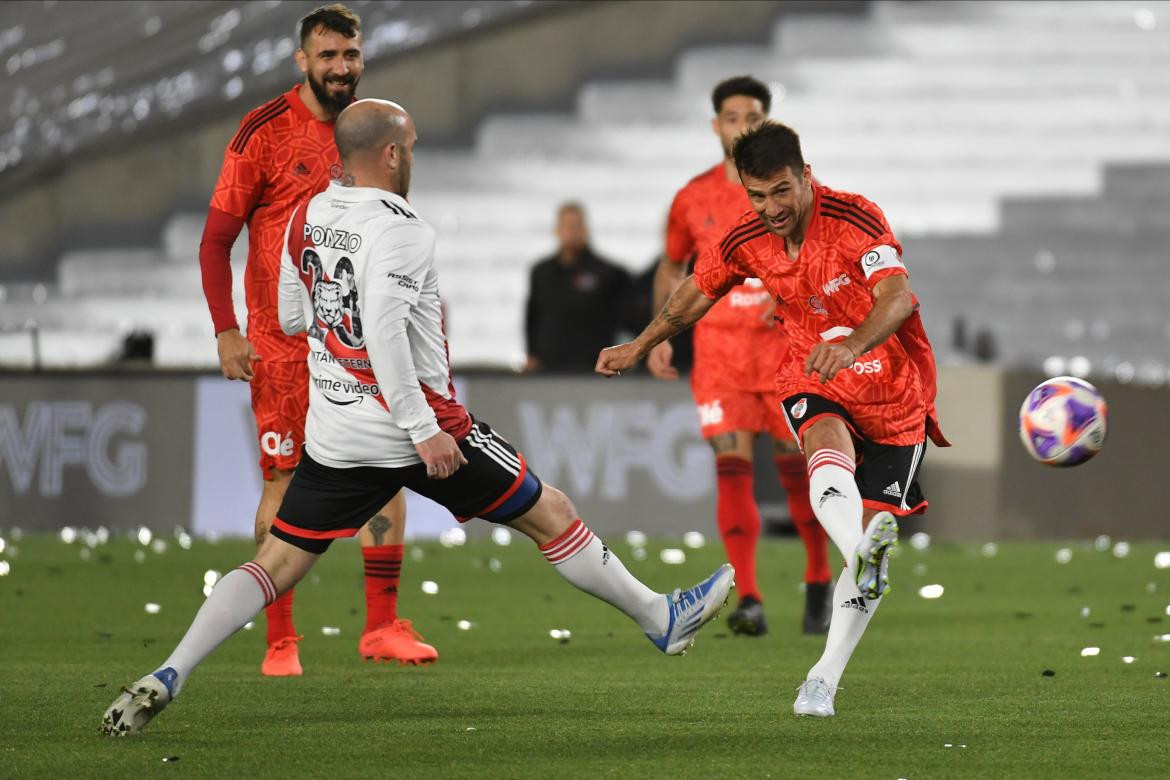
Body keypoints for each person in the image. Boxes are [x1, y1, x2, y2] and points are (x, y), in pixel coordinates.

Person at [102, 99, 733, 737]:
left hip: (336, 433)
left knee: (276, 562)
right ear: (393, 154)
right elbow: (382, 331)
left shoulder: (307, 211)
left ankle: (169, 673)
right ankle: (661, 618)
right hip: (414, 425)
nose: (413, 159)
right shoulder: (403, 229)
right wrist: (422, 429)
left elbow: (292, 318)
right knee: (553, 513)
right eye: (412, 148)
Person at [597, 121, 948, 718]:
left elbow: (898, 298)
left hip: (894, 390)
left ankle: (823, 678)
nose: (770, 208)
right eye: (757, 196)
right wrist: (640, 344)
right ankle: (857, 548)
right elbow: (694, 294)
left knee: (864, 552)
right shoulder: (747, 238)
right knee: (822, 440)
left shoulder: (856, 218)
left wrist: (855, 344)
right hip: (814, 371)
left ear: (805, 177)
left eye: (781, 192)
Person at [197, 3, 434, 674]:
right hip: (281, 348)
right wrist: (226, 331)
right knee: (284, 480)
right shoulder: (263, 133)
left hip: (360, 343)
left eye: (350, 55)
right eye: (327, 56)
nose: (340, 67)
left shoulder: (375, 129)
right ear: (302, 60)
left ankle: (382, 626)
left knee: (386, 470)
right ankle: (280, 639)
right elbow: (216, 242)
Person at [649, 76, 831, 636]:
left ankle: (820, 580)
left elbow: (825, 252)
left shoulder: (797, 188)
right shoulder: (692, 197)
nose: (742, 126)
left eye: (752, 116)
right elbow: (672, 266)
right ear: (716, 126)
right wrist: (660, 335)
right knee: (732, 473)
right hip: (721, 354)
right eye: (732, 117)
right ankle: (748, 597)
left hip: (785, 351)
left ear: (767, 122)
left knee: (798, 476)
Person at [524, 203, 632, 373]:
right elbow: (532, 316)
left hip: (592, 366)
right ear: (557, 230)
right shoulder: (541, 272)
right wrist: (531, 354)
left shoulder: (609, 273)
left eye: (576, 226)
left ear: (586, 230)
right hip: (549, 366)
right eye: (567, 226)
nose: (572, 231)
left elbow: (627, 318)